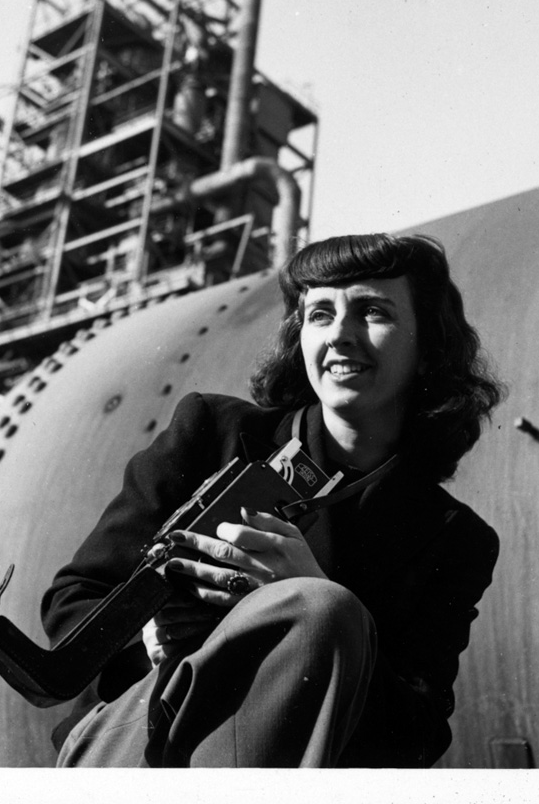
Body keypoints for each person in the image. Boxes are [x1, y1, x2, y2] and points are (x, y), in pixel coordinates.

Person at [40, 233, 504, 767]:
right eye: (320, 314)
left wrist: (312, 603)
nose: (341, 336)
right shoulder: (211, 429)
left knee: (325, 609)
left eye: (372, 311)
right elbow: (71, 602)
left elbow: (416, 738)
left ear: (428, 348)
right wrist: (146, 638)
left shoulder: (455, 539)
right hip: (138, 737)